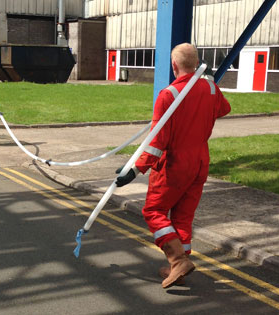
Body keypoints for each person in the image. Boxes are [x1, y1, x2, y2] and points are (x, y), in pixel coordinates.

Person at [116, 43, 231, 288]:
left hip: (174, 165)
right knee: (183, 216)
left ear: (174, 65)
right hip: (200, 163)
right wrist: (209, 84)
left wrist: (135, 169)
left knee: (154, 211)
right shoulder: (210, 88)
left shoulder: (168, 95)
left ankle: (177, 259)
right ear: (197, 63)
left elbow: (157, 142)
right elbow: (224, 109)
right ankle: (178, 266)